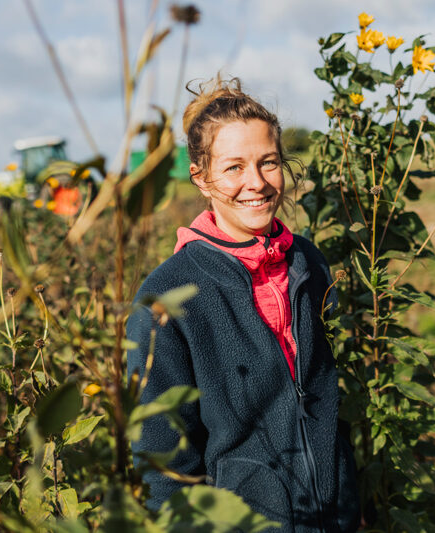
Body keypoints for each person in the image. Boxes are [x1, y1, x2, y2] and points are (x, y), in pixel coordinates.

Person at [126, 77, 360, 533]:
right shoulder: (167, 298)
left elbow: (327, 395)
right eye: (234, 167)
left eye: (268, 162)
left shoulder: (307, 262)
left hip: (332, 517)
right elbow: (159, 459)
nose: (256, 183)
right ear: (202, 178)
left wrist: (349, 498)